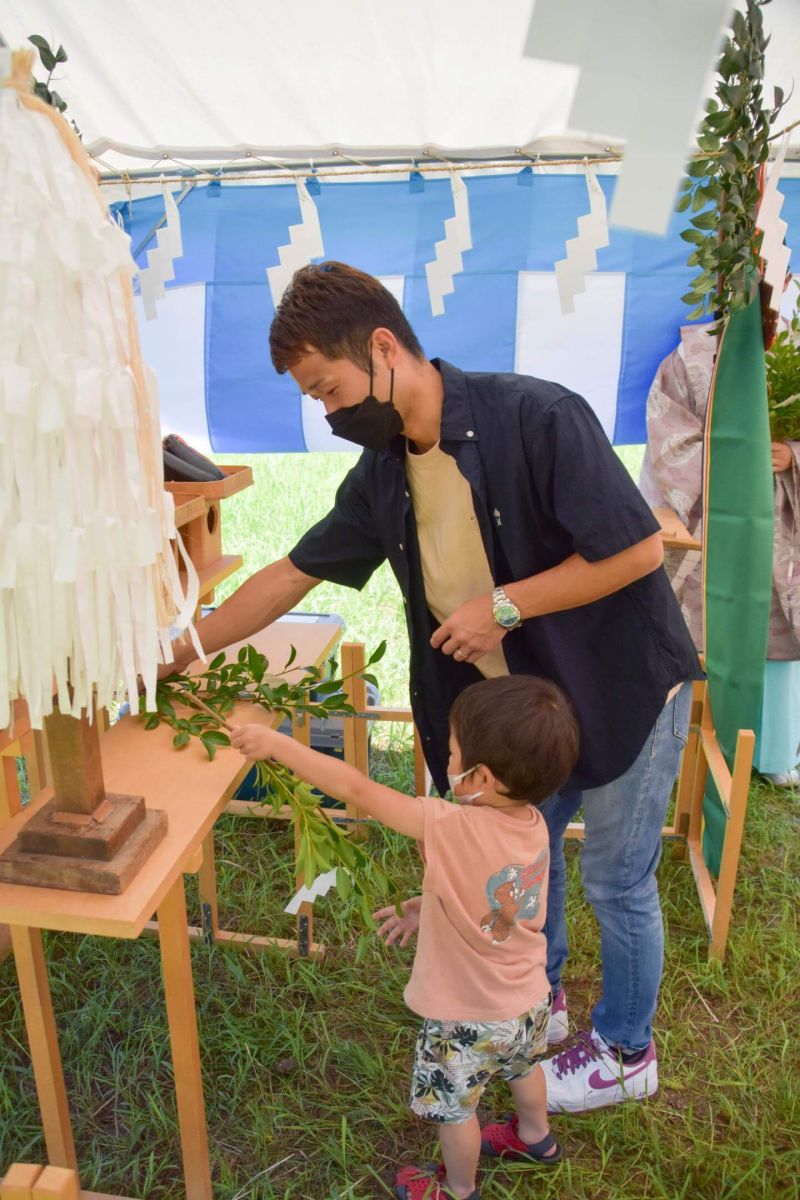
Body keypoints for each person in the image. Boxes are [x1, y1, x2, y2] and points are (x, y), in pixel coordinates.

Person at [165, 262, 702, 1112]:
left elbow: (637, 550)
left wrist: (503, 608)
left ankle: (629, 1050)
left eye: (330, 389)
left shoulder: (538, 415)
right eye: (315, 400)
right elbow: (290, 574)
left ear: (384, 348)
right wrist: (178, 650)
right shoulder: (383, 473)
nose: (330, 413)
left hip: (621, 681)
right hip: (524, 714)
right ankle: (538, 1001)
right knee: (529, 856)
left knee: (616, 877)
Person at [231, 674, 580, 1200]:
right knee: (522, 1065)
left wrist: (277, 744)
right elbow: (500, 898)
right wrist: (428, 906)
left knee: (455, 1109)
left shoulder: (451, 825)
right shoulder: (532, 823)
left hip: (466, 1016)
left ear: (482, 775)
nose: (449, 758)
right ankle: (535, 1137)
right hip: (529, 998)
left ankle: (458, 1190)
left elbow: (356, 790)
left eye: (456, 751)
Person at [640, 316, 800, 785]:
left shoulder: (792, 346)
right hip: (709, 518)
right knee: (693, 632)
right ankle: (682, 742)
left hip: (780, 521)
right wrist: (737, 468)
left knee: (773, 636)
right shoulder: (690, 358)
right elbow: (670, 441)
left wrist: (791, 452)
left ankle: (771, 752)